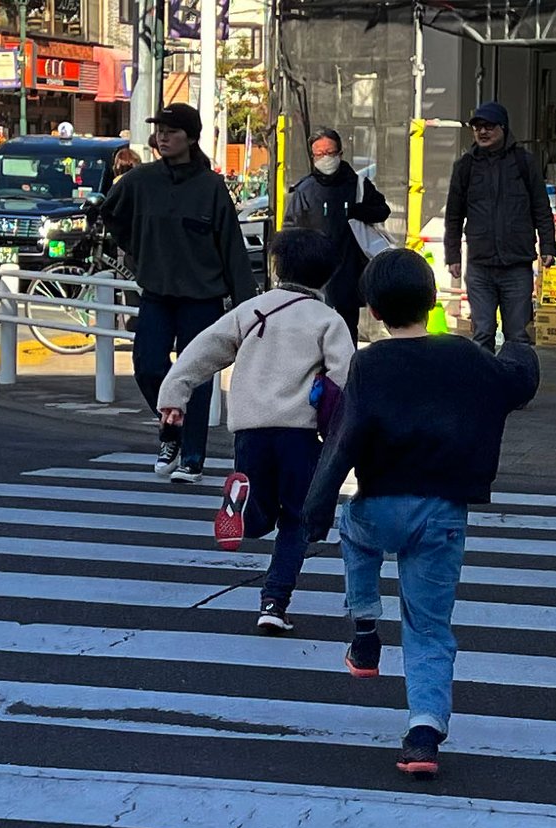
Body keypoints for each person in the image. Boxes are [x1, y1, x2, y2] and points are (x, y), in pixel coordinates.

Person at [301, 248, 539, 778]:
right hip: (442, 513)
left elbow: (343, 441)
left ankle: (366, 627)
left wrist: (315, 511)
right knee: (429, 626)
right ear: (433, 302)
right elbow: (520, 380)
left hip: (380, 504)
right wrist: (518, 338)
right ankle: (424, 735)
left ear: (373, 311)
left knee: (351, 528)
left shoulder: (370, 364)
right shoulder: (464, 355)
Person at [156, 228, 355, 632]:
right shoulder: (328, 320)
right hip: (300, 435)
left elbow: (203, 350)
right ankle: (273, 603)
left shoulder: (251, 310)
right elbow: (347, 378)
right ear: (327, 275)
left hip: (249, 431)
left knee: (261, 516)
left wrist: (174, 395)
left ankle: (242, 507)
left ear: (277, 268)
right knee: (296, 520)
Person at [101, 102, 256, 484]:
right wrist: (138, 252)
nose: (163, 138)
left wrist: (247, 306)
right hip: (156, 293)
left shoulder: (211, 187)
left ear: (190, 137)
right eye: (160, 131)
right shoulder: (140, 180)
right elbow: (111, 214)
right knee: (148, 366)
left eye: (171, 131)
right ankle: (171, 428)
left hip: (202, 298)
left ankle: (192, 457)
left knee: (197, 376)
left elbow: (232, 248)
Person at [443, 102, 555, 353]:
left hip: (517, 264)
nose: (482, 132)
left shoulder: (524, 162)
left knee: (517, 335)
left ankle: (517, 376)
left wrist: (548, 246)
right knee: (483, 333)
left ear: (503, 128)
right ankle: (485, 379)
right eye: (477, 128)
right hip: (480, 265)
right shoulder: (465, 166)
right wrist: (452, 255)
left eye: (489, 126)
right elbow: (453, 216)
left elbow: (541, 208)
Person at [282, 127, 391, 341]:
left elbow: (382, 211)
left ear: (340, 153)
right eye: (319, 154)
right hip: (314, 276)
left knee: (346, 333)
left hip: (349, 273)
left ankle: (347, 363)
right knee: (314, 335)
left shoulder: (358, 185)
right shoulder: (305, 190)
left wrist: (359, 211)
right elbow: (290, 229)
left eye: (330, 153)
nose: (326, 159)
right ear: (313, 157)